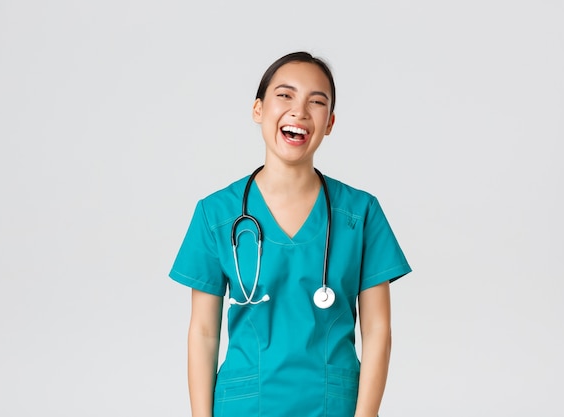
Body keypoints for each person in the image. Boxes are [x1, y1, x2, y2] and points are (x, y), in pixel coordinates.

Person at [169, 51, 412, 417]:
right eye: (285, 95)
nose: (300, 111)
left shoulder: (360, 214)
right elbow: (203, 332)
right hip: (245, 405)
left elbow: (378, 330)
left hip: (333, 406)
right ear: (258, 110)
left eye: (316, 102)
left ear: (329, 123)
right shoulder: (216, 214)